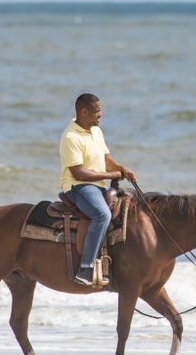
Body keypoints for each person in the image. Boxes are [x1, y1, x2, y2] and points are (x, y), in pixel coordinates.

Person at [60, 93, 137, 286]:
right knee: (102, 214)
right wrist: (110, 176)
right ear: (83, 111)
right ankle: (85, 269)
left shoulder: (96, 131)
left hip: (98, 185)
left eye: (100, 110)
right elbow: (78, 173)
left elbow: (106, 160)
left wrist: (121, 169)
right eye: (97, 111)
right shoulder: (71, 137)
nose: (101, 115)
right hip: (78, 187)